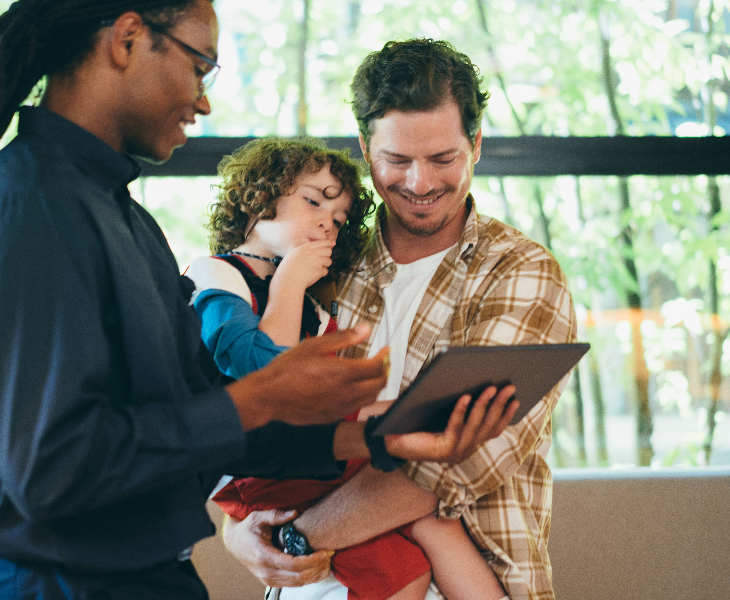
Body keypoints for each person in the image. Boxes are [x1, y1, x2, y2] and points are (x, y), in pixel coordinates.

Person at [0, 2, 518, 598]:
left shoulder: (121, 219)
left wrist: (377, 439)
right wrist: (261, 395)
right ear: (128, 39)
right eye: (199, 67)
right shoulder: (26, 209)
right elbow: (49, 469)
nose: (203, 101)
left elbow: (195, 420)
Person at [222, 38, 577, 600]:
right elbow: (255, 425)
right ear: (365, 149)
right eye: (397, 160)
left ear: (476, 144)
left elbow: (450, 465)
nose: (419, 183)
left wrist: (290, 535)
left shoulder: (520, 273)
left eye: (443, 159)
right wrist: (236, 532)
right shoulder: (322, 265)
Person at [187, 137, 508, 600]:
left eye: (337, 219)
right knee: (415, 516)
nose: (325, 222)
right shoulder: (216, 276)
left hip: (312, 453)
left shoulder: (316, 311)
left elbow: (326, 399)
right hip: (259, 465)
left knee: (426, 530)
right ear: (258, 198)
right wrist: (288, 284)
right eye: (312, 201)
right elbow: (266, 380)